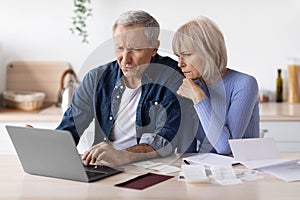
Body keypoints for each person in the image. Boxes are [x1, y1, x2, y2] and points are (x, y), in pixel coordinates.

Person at [56, 10, 186, 167]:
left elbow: (166, 138)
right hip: (103, 168)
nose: (125, 60)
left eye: (136, 49)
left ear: (154, 48)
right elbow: (70, 128)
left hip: (150, 169)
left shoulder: (172, 77)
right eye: (119, 48)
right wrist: (45, 143)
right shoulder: (96, 78)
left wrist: (125, 155)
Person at [172, 16, 259, 155]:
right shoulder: (190, 86)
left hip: (244, 170)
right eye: (178, 56)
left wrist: (199, 98)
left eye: (186, 55)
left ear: (208, 52)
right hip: (208, 169)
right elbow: (187, 151)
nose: (180, 63)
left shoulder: (244, 84)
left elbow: (226, 147)